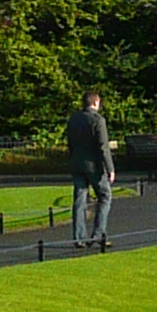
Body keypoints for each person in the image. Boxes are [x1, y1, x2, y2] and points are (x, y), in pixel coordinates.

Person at [66, 90, 114, 250]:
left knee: (79, 200)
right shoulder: (97, 120)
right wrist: (110, 168)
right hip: (94, 166)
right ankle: (98, 234)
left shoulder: (73, 119)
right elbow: (103, 146)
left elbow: (70, 143)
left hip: (77, 164)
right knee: (105, 196)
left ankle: (78, 237)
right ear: (95, 103)